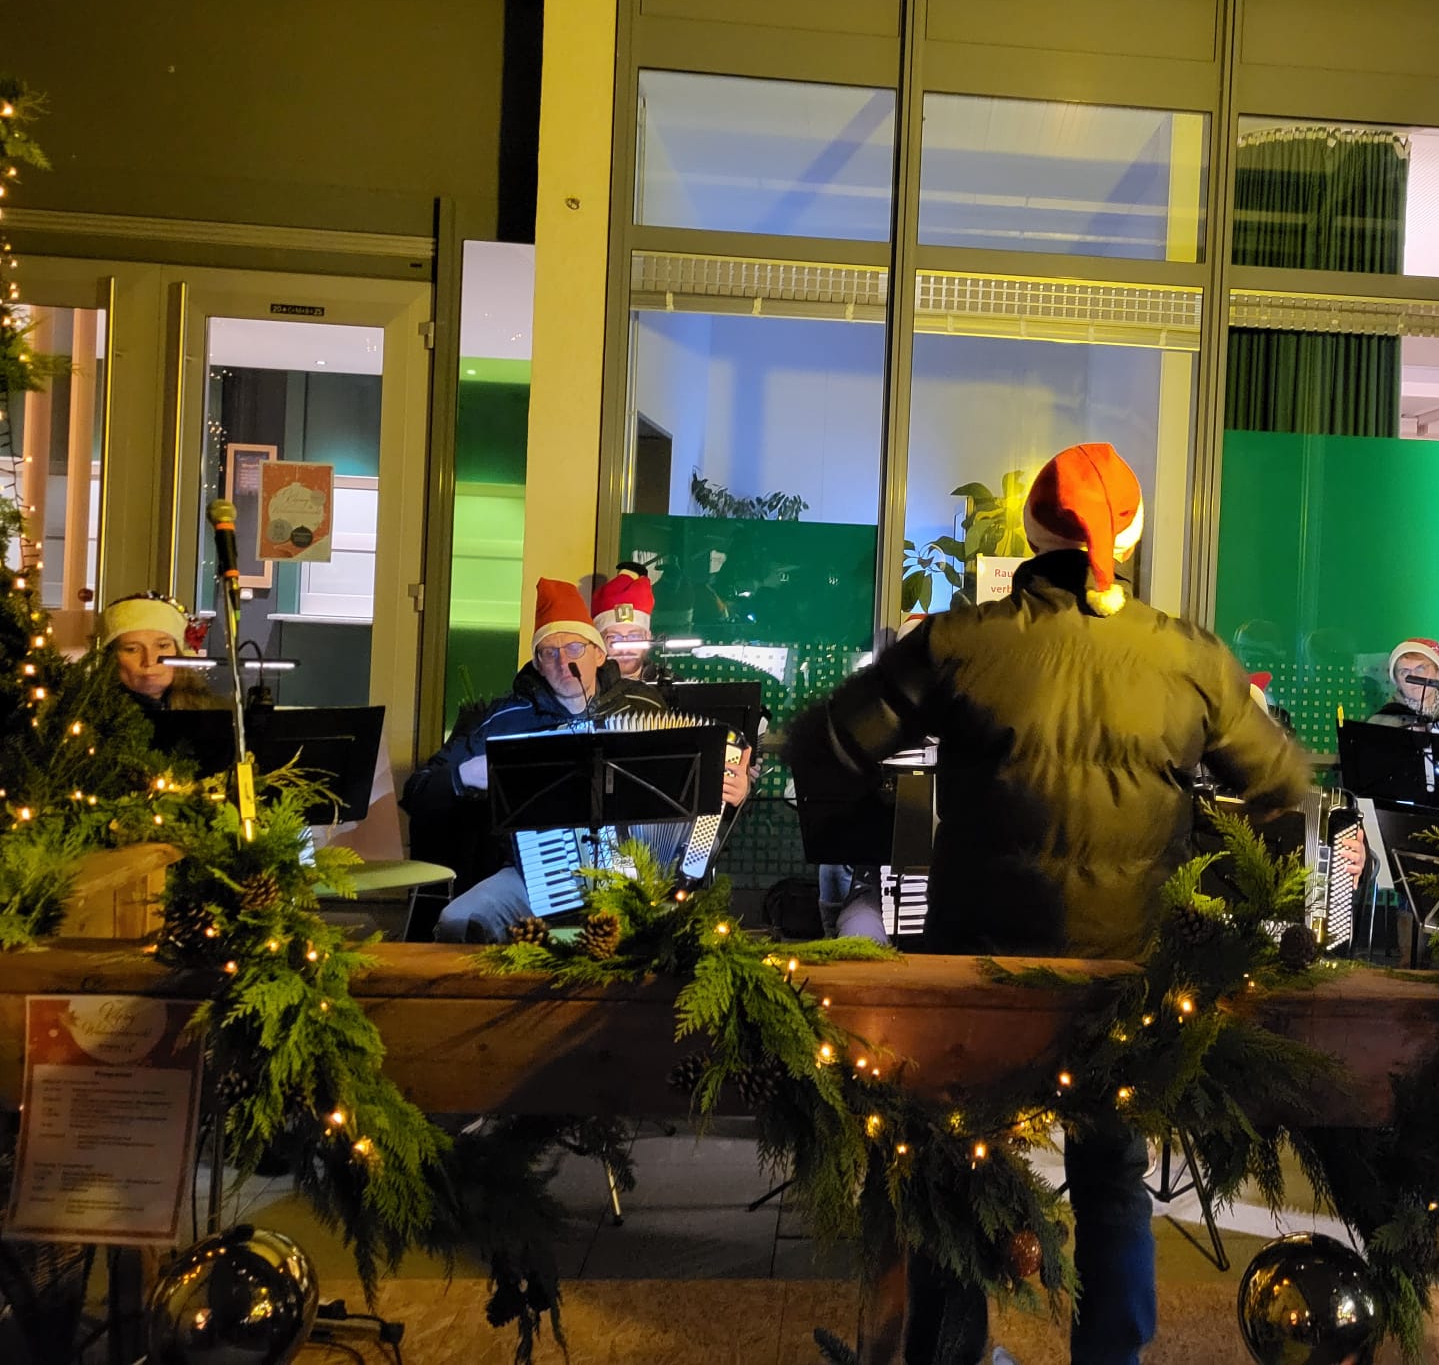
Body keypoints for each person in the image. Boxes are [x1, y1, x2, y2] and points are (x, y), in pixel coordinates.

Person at [788, 442, 1310, 1365]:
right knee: (1111, 1175)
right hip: (1129, 979)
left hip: (977, 974)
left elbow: (822, 748)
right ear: (1134, 536)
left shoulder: (960, 640)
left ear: (1027, 533)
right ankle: (1111, 1357)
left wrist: (879, 842)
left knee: (958, 1168)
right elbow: (1286, 796)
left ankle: (945, 1350)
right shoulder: (1186, 655)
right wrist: (1203, 896)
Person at [404, 578, 750, 943]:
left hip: (636, 876)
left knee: (693, 935)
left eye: (574, 647)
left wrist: (735, 791)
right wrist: (464, 775)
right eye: (548, 652)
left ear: (599, 654)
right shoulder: (505, 720)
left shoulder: (643, 709)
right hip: (533, 878)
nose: (562, 661)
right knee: (457, 920)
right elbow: (416, 793)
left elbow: (695, 799)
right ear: (536, 663)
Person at [98, 593, 220, 713]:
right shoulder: (90, 718)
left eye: (162, 646)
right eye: (132, 649)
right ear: (111, 657)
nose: (150, 661)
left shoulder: (210, 710)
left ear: (178, 652)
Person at [1369, 637, 1439, 732]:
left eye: (1420, 668)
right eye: (1404, 672)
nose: (1414, 677)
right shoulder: (1380, 723)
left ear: (1438, 673)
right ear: (1397, 681)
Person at [592, 561, 657, 682]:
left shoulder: (669, 685)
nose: (625, 649)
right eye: (614, 639)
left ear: (648, 637)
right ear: (599, 641)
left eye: (634, 637)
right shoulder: (584, 689)